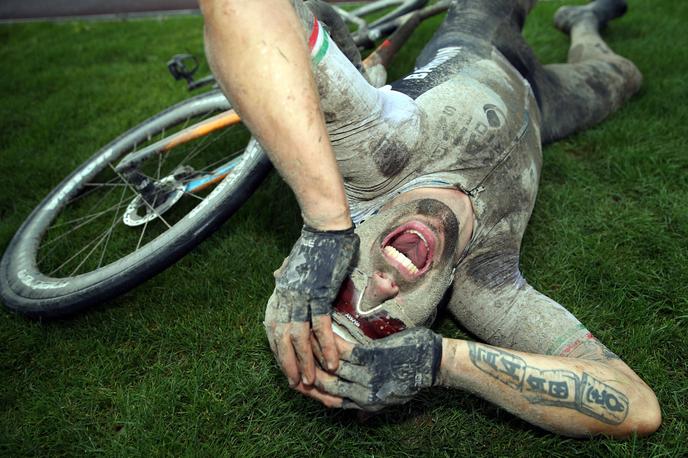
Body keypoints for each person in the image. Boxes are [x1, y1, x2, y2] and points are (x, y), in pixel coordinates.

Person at [259, 0, 661, 438]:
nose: (383, 285)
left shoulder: (370, 153)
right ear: (422, 325)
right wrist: (441, 363)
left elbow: (266, 12)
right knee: (624, 75)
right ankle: (583, 23)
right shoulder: (482, 288)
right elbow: (637, 406)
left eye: (342, 288)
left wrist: (310, 243)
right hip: (546, 105)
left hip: (479, 34)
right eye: (385, 323)